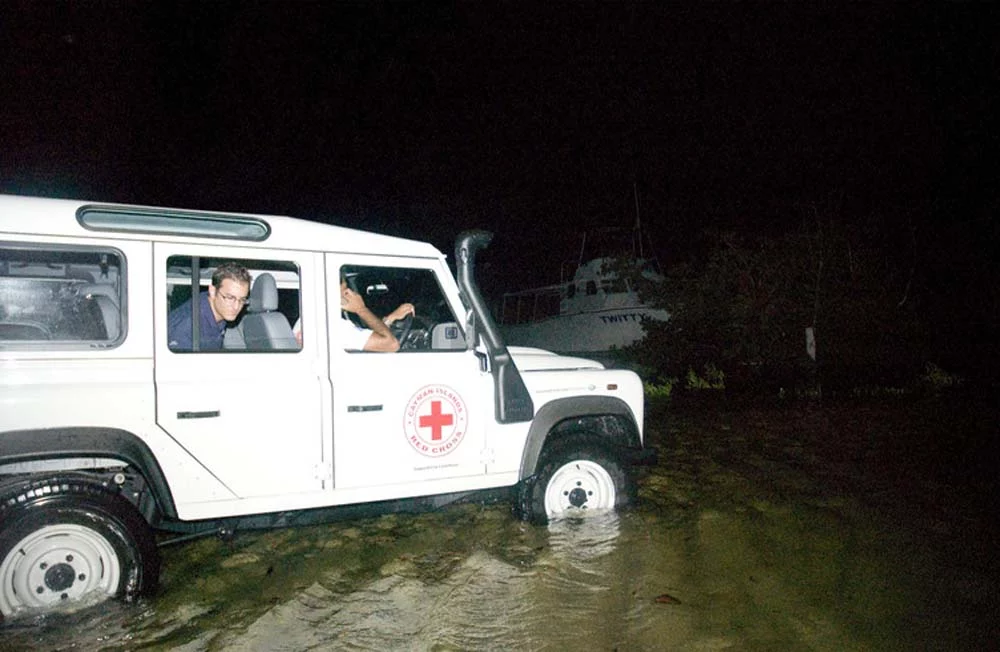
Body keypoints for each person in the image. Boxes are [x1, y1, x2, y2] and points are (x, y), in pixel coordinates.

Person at [167, 262, 251, 350]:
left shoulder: (216, 311)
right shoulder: (188, 327)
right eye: (230, 297)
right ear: (213, 291)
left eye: (242, 299)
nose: (236, 307)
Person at [339, 278, 414, 352]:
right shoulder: (340, 328)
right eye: (345, 291)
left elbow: (371, 337)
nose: (351, 294)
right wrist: (361, 309)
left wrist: (390, 319)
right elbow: (391, 345)